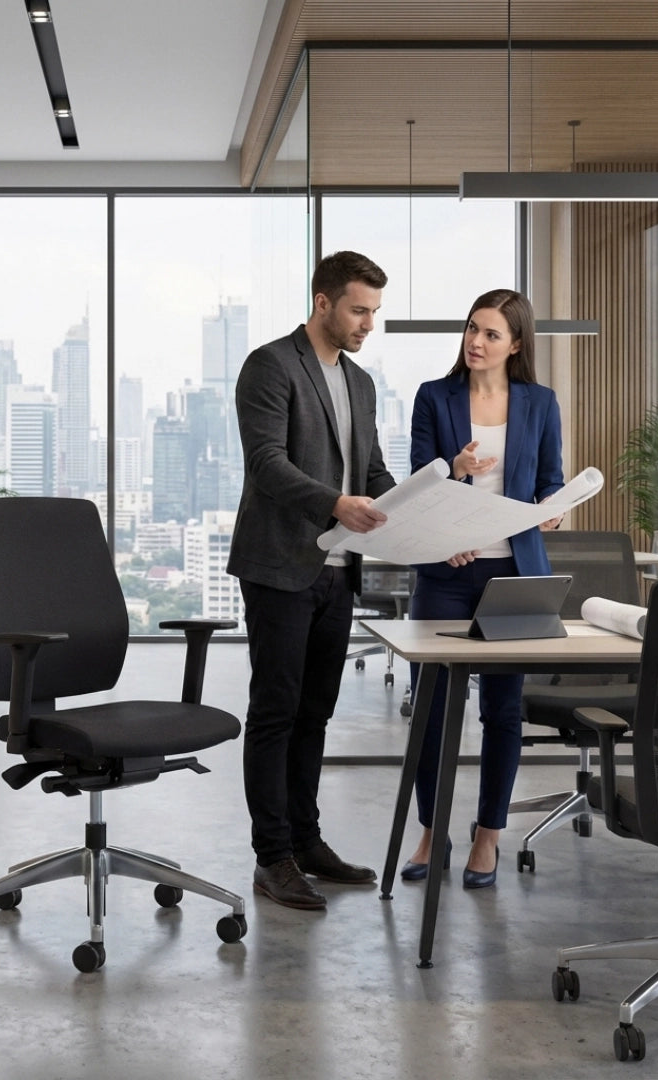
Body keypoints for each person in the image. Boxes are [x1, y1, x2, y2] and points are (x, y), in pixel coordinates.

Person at [227, 250, 396, 910]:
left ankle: (306, 841)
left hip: (337, 573)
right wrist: (335, 503)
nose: (367, 324)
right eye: (358, 310)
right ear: (323, 303)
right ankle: (273, 858)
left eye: (374, 312)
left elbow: (373, 474)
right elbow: (266, 464)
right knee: (276, 712)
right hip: (280, 566)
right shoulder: (271, 366)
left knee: (316, 714)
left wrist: (425, 505)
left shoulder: (360, 383)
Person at [400, 288, 564, 890]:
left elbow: (550, 481)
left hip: (513, 574)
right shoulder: (433, 397)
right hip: (445, 574)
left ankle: (489, 835)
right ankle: (429, 829)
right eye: (472, 329)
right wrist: (455, 472)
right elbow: (417, 483)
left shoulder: (540, 403)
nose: (476, 341)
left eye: (491, 334)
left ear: (515, 344)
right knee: (433, 712)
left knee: (502, 711)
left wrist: (552, 509)